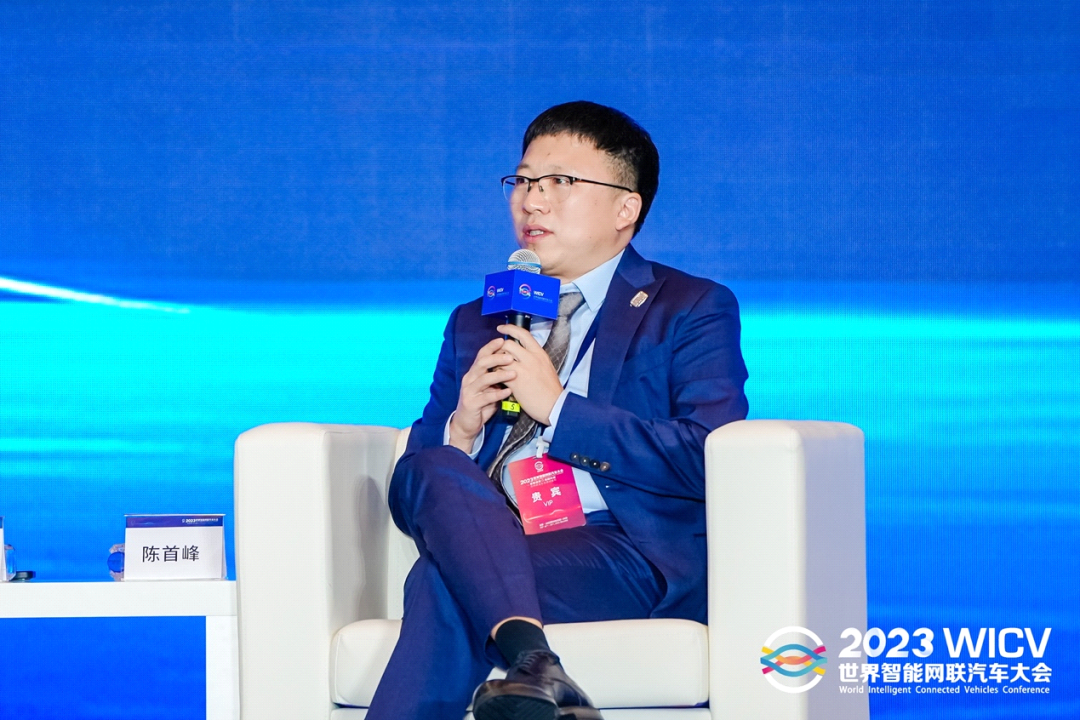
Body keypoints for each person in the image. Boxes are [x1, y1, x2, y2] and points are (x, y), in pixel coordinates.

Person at [367, 101, 749, 720]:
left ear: (626, 209)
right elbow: (415, 487)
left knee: (442, 577)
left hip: (621, 549)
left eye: (559, 182)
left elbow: (707, 456)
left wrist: (559, 409)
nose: (531, 201)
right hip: (494, 530)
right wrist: (463, 428)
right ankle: (537, 667)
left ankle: (530, 661)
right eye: (522, 182)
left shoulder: (689, 307)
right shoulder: (476, 320)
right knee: (431, 464)